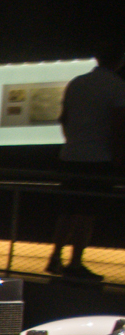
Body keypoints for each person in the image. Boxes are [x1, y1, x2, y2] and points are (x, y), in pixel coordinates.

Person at [49, 49, 125, 276]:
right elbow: (119, 127)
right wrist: (118, 156)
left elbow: (63, 118)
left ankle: (55, 257)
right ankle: (75, 263)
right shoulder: (116, 86)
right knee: (87, 213)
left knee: (69, 211)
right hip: (98, 158)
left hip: (71, 156)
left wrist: (72, 141)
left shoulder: (77, 83)